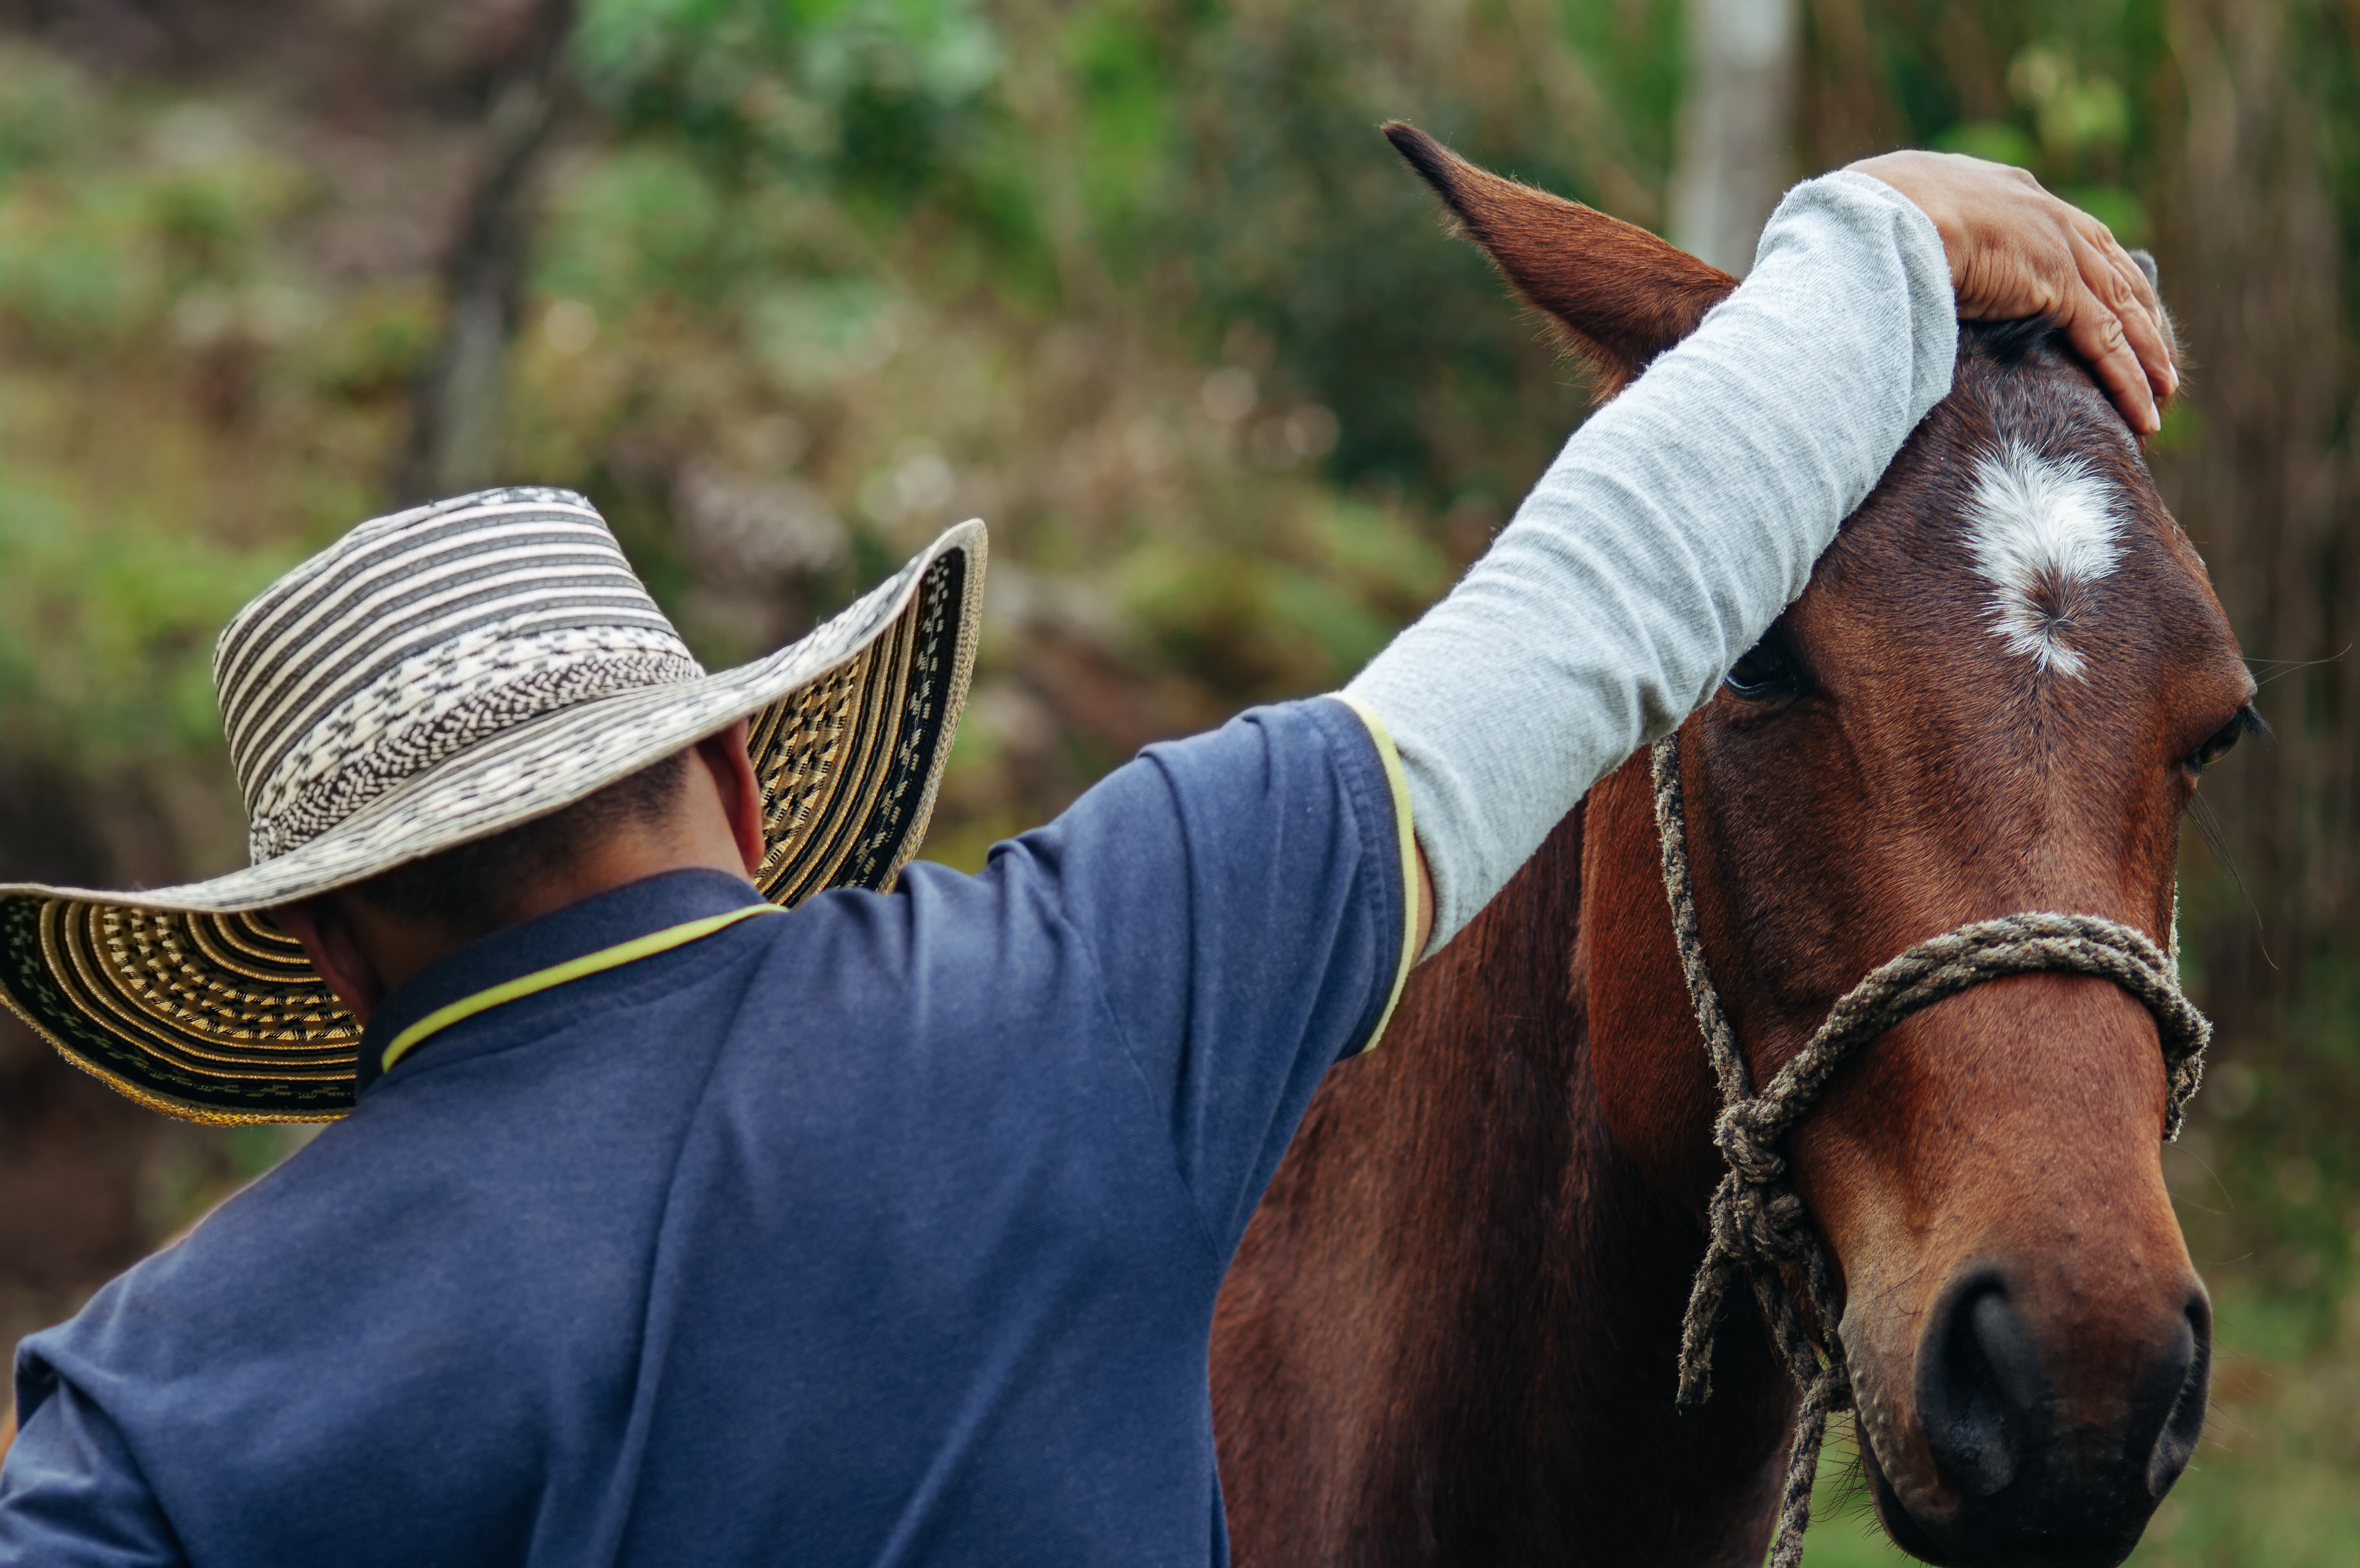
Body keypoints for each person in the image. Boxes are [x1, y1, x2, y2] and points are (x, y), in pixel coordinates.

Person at [0, 150, 2171, 1565]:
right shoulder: (1101, 986)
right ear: (753, 792)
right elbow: (1592, 614)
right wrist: (1873, 245)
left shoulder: (151, 1400)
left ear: (315, 955)